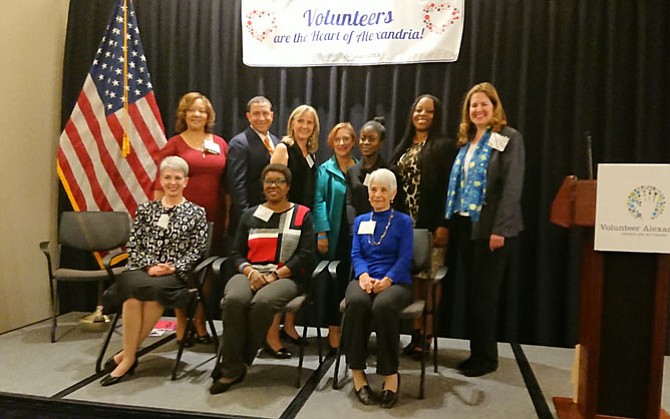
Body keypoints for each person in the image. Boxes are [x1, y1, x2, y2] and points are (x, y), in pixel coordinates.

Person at [101, 156, 208, 386]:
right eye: (167, 178)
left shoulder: (197, 212)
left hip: (172, 274)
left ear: (186, 181)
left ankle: (126, 357)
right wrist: (150, 265)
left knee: (153, 295)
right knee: (132, 295)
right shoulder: (146, 209)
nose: (172, 183)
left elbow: (197, 251)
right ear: (160, 180)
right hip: (141, 268)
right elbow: (134, 244)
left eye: (177, 178)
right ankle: (130, 356)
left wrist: (172, 267)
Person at [210, 164, 316, 394]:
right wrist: (251, 272)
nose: (273, 186)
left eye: (279, 181)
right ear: (263, 186)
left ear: (288, 187)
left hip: (285, 277)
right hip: (250, 273)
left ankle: (232, 367)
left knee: (263, 303)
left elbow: (306, 255)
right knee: (234, 301)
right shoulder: (250, 214)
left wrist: (275, 274)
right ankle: (234, 364)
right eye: (269, 181)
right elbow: (235, 253)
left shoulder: (302, 215)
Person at [445, 82, 525, 377]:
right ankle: (477, 351)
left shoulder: (508, 137)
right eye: (473, 105)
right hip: (466, 225)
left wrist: (500, 229)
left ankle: (485, 357)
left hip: (492, 229)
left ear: (495, 107)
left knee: (485, 295)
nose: (478, 109)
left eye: (483, 104)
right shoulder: (468, 140)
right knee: (474, 293)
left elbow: (512, 186)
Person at [154, 92, 227, 346]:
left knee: (206, 272)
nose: (197, 115)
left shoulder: (219, 142)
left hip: (214, 216)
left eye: (202, 111)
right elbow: (159, 185)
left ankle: (201, 322)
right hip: (180, 218)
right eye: (192, 110)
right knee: (182, 271)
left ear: (209, 116)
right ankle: (182, 323)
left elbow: (226, 185)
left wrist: (227, 217)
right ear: (183, 114)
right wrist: (161, 221)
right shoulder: (174, 144)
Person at [343, 168, 413, 408]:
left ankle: (390, 375)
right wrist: (362, 275)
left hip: (396, 282)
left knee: (383, 306)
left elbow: (405, 258)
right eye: (374, 189)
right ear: (368, 192)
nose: (378, 194)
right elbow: (356, 253)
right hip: (365, 279)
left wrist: (388, 280)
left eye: (384, 190)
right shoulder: (362, 221)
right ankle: (358, 374)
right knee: (358, 303)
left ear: (393, 193)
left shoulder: (403, 222)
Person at [391, 94, 455, 358]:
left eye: (428, 111)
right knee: (414, 278)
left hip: (432, 225)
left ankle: (427, 332)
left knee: (430, 279)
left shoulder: (445, 145)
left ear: (436, 115)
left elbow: (451, 190)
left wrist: (444, 224)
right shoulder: (403, 146)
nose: (422, 115)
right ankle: (415, 329)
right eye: (418, 110)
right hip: (406, 227)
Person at [267, 104, 320, 352]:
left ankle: (289, 327)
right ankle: (271, 336)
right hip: (285, 221)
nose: (305, 126)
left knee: (300, 274)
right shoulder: (283, 148)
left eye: (310, 123)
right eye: (301, 121)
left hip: (303, 221)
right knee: (281, 275)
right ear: (292, 123)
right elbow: (272, 187)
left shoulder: (309, 153)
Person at [313, 122, 357, 352]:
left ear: (353, 141)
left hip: (356, 234)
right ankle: (333, 329)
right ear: (331, 142)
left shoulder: (359, 168)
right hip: (333, 232)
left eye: (346, 138)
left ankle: (351, 328)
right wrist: (321, 231)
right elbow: (318, 201)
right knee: (334, 282)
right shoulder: (324, 169)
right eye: (337, 139)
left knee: (354, 281)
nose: (342, 143)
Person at [227, 96, 280, 234]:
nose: (261, 118)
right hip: (250, 216)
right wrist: (247, 216)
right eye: (256, 114)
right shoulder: (239, 143)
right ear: (248, 116)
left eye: (265, 113)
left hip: (274, 213)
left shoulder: (277, 141)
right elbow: (237, 185)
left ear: (272, 115)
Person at [345, 117, 402, 217]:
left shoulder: (390, 171)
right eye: (363, 138)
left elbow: (398, 204)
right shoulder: (352, 171)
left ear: (381, 143)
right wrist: (354, 226)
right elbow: (349, 203)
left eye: (371, 139)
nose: (366, 142)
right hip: (359, 226)